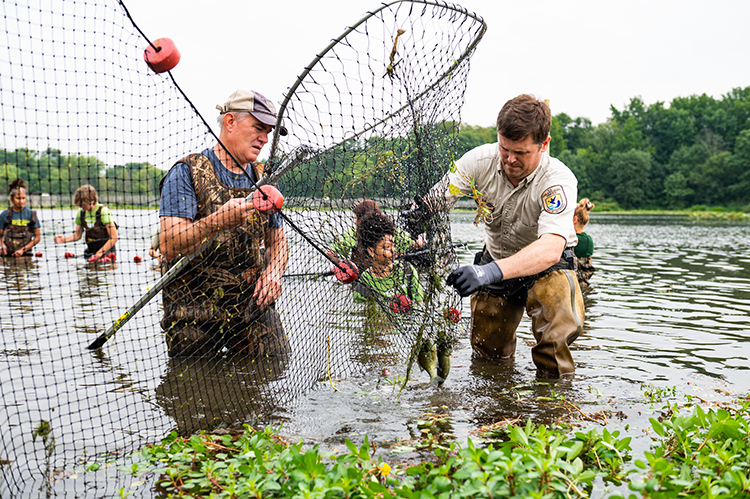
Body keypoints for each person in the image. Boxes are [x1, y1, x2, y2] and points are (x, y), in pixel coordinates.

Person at [427, 94, 585, 376]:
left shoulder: (558, 180)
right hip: (495, 258)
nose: (510, 159)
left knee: (553, 347)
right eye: (504, 149)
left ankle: (554, 406)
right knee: (488, 356)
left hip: (548, 269)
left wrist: (486, 273)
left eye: (522, 153)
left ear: (544, 145)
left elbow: (550, 249)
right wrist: (413, 221)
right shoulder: (478, 161)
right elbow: (437, 200)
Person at [158, 89, 290, 358]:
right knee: (191, 385)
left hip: (249, 305)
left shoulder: (264, 179)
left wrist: (274, 271)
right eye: (258, 128)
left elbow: (278, 240)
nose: (264, 139)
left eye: (268, 131)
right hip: (193, 311)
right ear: (230, 122)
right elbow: (168, 244)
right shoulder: (186, 172)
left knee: (276, 363)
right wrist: (215, 223)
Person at [351, 211, 424, 311]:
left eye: (393, 245)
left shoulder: (407, 270)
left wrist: (409, 308)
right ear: (371, 250)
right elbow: (361, 312)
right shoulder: (365, 282)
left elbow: (420, 304)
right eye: (387, 247)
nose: (393, 250)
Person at [327, 199, 420, 274]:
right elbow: (417, 243)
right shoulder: (390, 230)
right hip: (387, 278)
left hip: (362, 281)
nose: (355, 222)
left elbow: (330, 252)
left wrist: (344, 268)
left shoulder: (353, 233)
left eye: (356, 218)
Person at [54, 184, 118, 261]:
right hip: (90, 252)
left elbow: (114, 237)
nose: (81, 206)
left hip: (107, 253)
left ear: (92, 201)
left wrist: (99, 254)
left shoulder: (103, 211)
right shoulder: (81, 212)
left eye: (83, 204)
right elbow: (77, 235)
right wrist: (62, 240)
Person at [0, 179, 41, 257]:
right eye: (18, 198)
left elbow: (37, 237)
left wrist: (22, 250)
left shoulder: (31, 214)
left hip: (25, 255)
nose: (21, 201)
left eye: (23, 198)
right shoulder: (4, 214)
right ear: (11, 198)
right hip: (7, 255)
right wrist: (2, 246)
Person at [573, 198, 595, 286]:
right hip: (584, 284)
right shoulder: (589, 240)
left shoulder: (573, 240)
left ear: (575, 219)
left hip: (573, 286)